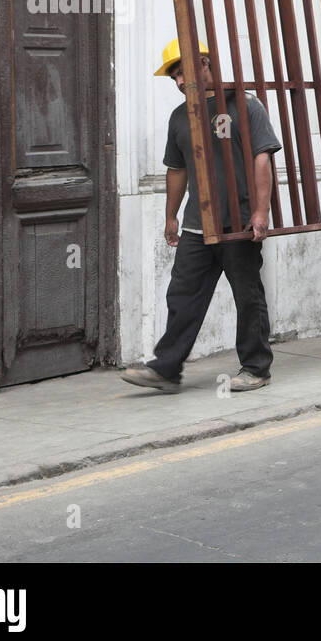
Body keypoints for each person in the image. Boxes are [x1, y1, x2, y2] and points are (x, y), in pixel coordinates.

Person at [121, 38, 282, 394]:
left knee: (247, 296)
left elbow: (262, 158)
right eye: (174, 77)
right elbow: (176, 170)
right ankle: (166, 369)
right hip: (197, 226)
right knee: (182, 294)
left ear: (206, 64)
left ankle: (257, 368)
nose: (179, 82)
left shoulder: (244, 105)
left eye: (183, 72)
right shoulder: (179, 117)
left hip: (238, 223)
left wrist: (260, 212)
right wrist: (171, 216)